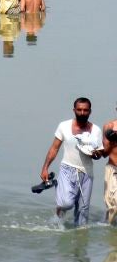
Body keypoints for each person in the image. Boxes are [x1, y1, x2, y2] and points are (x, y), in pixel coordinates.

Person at [39, 97, 104, 226]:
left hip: (87, 173)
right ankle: (59, 193)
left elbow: (99, 153)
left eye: (85, 110)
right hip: (67, 169)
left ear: (90, 111)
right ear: (74, 110)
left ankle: (79, 242)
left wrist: (96, 154)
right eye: (79, 110)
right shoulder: (64, 126)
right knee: (66, 203)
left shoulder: (95, 130)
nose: (82, 113)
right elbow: (54, 148)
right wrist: (45, 168)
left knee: (83, 212)